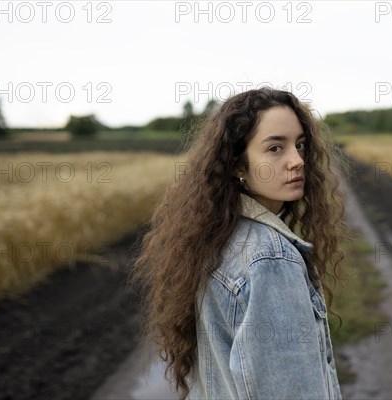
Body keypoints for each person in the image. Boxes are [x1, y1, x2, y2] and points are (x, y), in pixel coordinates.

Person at [130, 87, 353, 399]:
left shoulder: (217, 236)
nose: (297, 160)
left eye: (300, 145)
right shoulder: (270, 259)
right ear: (237, 164)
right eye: (275, 148)